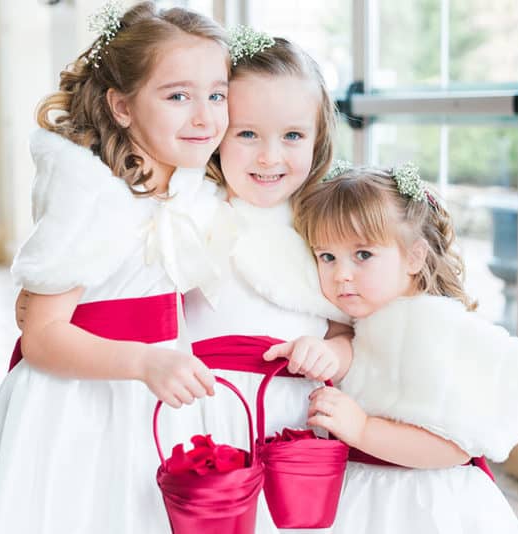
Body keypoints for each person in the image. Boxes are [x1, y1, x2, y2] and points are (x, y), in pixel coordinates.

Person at [0, 2, 231, 532]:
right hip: (81, 402)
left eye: (217, 95)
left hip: (159, 392)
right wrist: (146, 363)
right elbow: (41, 337)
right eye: (177, 96)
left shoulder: (193, 183)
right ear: (122, 107)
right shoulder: (91, 195)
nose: (205, 116)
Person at [290, 164, 518, 533]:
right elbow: (365, 360)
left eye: (362, 255)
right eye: (327, 257)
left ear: (414, 257)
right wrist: (332, 352)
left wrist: (362, 430)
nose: (341, 274)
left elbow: (453, 446)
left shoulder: (433, 328)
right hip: (361, 488)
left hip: (419, 499)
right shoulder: (375, 321)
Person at [181, 28, 352, 533]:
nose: (269, 157)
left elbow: (351, 328)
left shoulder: (326, 226)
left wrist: (335, 354)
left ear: (318, 138)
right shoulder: (190, 214)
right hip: (200, 416)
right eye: (247, 133)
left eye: (293, 136)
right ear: (216, 132)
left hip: (294, 425)